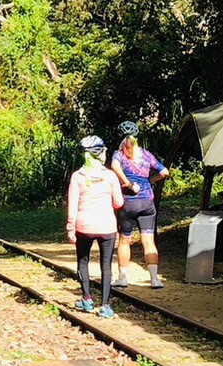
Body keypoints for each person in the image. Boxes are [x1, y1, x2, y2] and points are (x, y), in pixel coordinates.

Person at [67, 135, 125, 317]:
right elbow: (119, 202)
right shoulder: (110, 176)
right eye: (105, 150)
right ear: (99, 154)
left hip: (84, 226)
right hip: (107, 226)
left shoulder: (77, 177)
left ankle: (87, 299)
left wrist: (70, 227)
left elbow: (72, 205)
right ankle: (105, 305)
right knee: (106, 265)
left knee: (83, 261)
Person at [110, 120, 169, 289]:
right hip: (147, 203)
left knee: (124, 241)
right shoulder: (146, 155)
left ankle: (123, 278)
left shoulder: (119, 154)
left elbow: (114, 166)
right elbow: (164, 172)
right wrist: (151, 180)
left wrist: (127, 183)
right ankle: (155, 279)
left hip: (128, 203)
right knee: (149, 242)